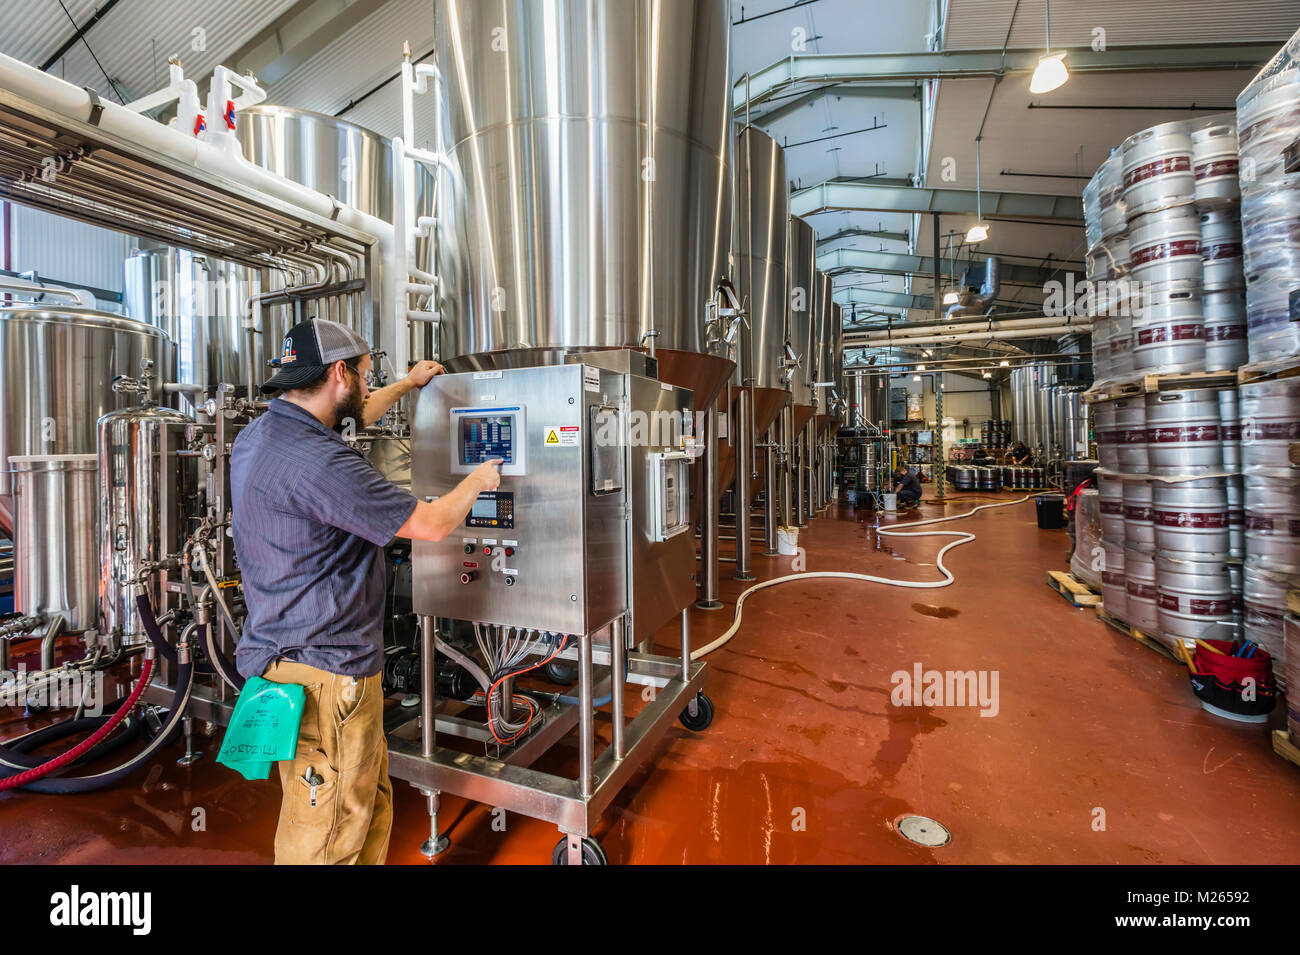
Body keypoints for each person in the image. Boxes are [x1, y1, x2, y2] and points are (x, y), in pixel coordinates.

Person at [230, 318, 502, 865]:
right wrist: (478, 479)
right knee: (325, 835)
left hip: (286, 659)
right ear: (339, 372)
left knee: (364, 807)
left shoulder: (261, 434)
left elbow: (355, 412)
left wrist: (407, 384)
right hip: (328, 673)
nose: (367, 385)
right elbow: (430, 524)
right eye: (364, 375)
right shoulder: (325, 464)